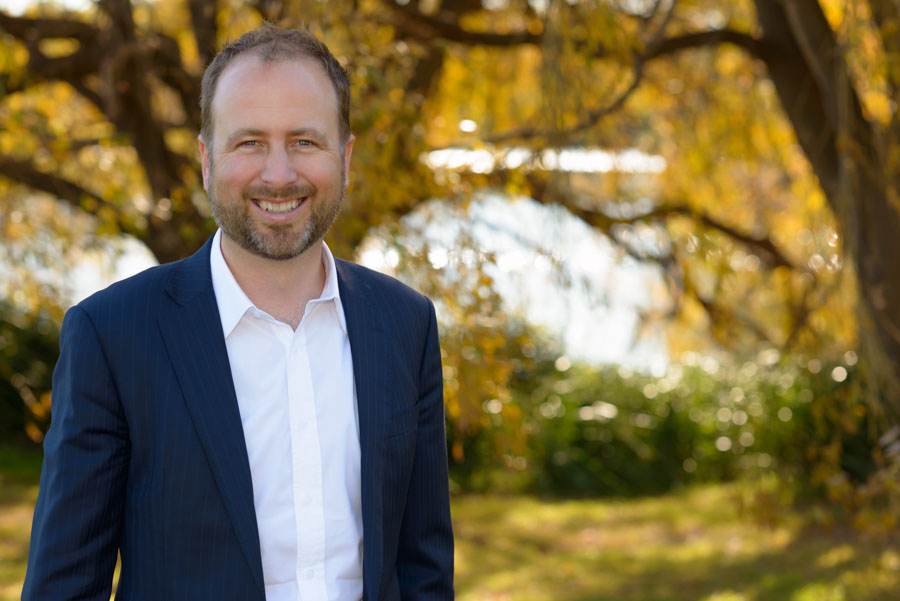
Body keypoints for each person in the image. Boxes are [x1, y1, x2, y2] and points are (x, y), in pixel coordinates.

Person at [22, 24, 454, 601]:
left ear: (345, 157)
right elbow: (64, 586)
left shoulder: (405, 323)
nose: (278, 174)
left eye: (305, 141)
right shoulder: (112, 335)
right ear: (207, 159)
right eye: (249, 142)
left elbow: (424, 570)